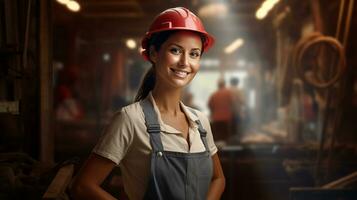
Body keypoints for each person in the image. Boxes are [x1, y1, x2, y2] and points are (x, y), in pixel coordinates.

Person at [70, 7, 225, 200]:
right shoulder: (131, 119)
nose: (185, 62)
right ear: (153, 53)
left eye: (194, 54)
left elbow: (218, 178)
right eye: (175, 50)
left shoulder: (200, 122)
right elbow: (83, 186)